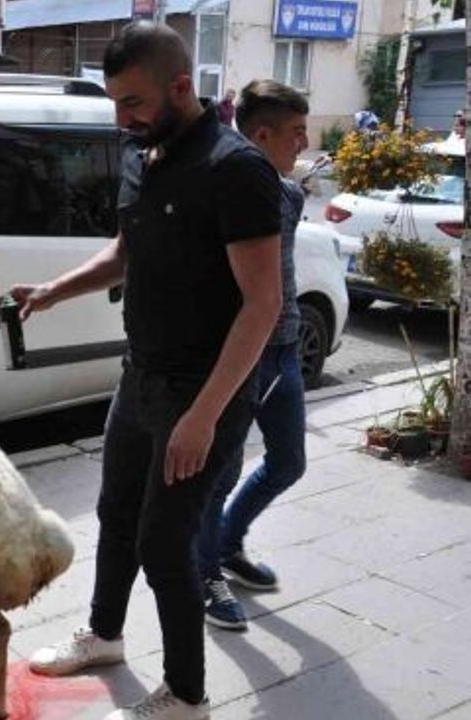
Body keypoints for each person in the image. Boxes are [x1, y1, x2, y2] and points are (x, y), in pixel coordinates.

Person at [19, 22, 283, 720]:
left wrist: (202, 417)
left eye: (132, 101)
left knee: (165, 545)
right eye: (114, 102)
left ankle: (187, 697)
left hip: (204, 393)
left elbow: (262, 304)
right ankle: (105, 636)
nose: (121, 118)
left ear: (180, 86)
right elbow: (124, 253)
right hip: (140, 377)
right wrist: (53, 290)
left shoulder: (235, 169)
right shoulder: (148, 154)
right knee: (114, 514)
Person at [194, 80, 309, 632]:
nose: (304, 144)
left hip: (284, 347)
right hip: (244, 351)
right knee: (222, 469)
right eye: (295, 134)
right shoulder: (221, 186)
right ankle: (205, 570)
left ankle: (229, 542)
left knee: (288, 461)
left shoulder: (290, 193)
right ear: (262, 134)